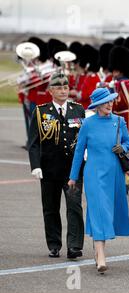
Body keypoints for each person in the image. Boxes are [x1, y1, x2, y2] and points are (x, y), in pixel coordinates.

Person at [68, 87, 129, 273]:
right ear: (97, 106)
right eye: (106, 102)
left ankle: (98, 251)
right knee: (99, 210)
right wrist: (73, 177)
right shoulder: (88, 124)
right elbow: (79, 152)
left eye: (111, 101)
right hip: (94, 173)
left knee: (105, 211)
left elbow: (128, 142)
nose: (110, 104)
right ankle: (101, 255)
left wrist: (123, 148)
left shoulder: (119, 122)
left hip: (114, 174)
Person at [28, 72, 85, 259]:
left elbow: (84, 138)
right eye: (59, 88)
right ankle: (54, 244)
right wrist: (35, 165)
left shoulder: (78, 110)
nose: (63, 90)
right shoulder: (41, 111)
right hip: (49, 169)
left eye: (66, 87)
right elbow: (34, 142)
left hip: (73, 170)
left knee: (74, 207)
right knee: (51, 208)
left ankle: (74, 246)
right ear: (51, 90)